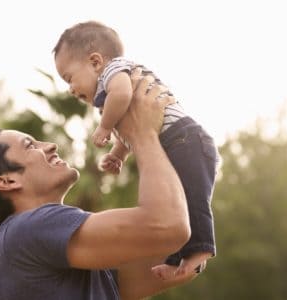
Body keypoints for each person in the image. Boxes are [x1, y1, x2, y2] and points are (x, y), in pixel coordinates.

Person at [0, 74, 196, 300]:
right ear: (8, 181)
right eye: (30, 145)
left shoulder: (35, 250)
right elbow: (169, 227)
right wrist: (143, 134)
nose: (50, 145)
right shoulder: (27, 229)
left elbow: (181, 257)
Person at [53, 20, 220, 279]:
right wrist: (118, 154)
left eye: (69, 78)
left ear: (95, 62)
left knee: (192, 197)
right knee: (176, 206)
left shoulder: (114, 72)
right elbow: (129, 129)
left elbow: (123, 96)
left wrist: (104, 127)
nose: (70, 89)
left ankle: (200, 251)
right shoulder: (107, 93)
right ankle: (178, 258)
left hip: (185, 139)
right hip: (176, 142)